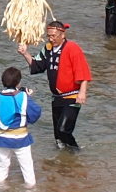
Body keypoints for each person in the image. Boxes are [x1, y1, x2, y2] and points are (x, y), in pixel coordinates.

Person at [19, 20, 90, 151]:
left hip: (72, 96)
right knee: (58, 137)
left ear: (62, 35)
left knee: (63, 129)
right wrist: (25, 53)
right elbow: (37, 66)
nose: (51, 39)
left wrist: (82, 92)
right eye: (49, 36)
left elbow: (83, 71)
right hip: (56, 97)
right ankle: (63, 162)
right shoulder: (48, 49)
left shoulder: (72, 48)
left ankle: (77, 152)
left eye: (54, 36)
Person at [0, 66, 41, 187]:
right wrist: (28, 97)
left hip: (1, 138)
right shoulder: (23, 96)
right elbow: (36, 113)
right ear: (18, 83)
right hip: (20, 139)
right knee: (28, 170)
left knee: (1, 168)